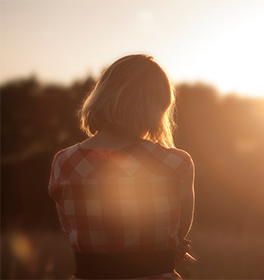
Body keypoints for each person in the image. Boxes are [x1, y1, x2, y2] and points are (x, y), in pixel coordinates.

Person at [48, 54, 195, 280]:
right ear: (157, 106)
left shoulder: (64, 162)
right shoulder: (176, 163)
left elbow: (71, 230)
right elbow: (178, 232)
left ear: (103, 95)